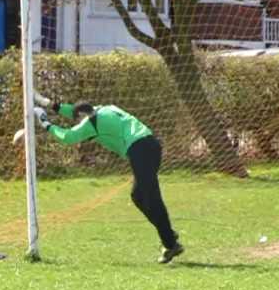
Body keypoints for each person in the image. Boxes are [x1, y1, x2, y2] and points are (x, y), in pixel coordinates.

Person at [33, 93, 184, 264]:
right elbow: (74, 111)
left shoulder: (92, 124)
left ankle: (170, 243)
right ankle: (168, 235)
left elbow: (68, 137)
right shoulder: (106, 107)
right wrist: (46, 102)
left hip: (139, 150)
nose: (79, 123)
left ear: (83, 117)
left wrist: (45, 123)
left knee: (152, 198)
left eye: (79, 120)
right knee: (138, 197)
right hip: (152, 145)